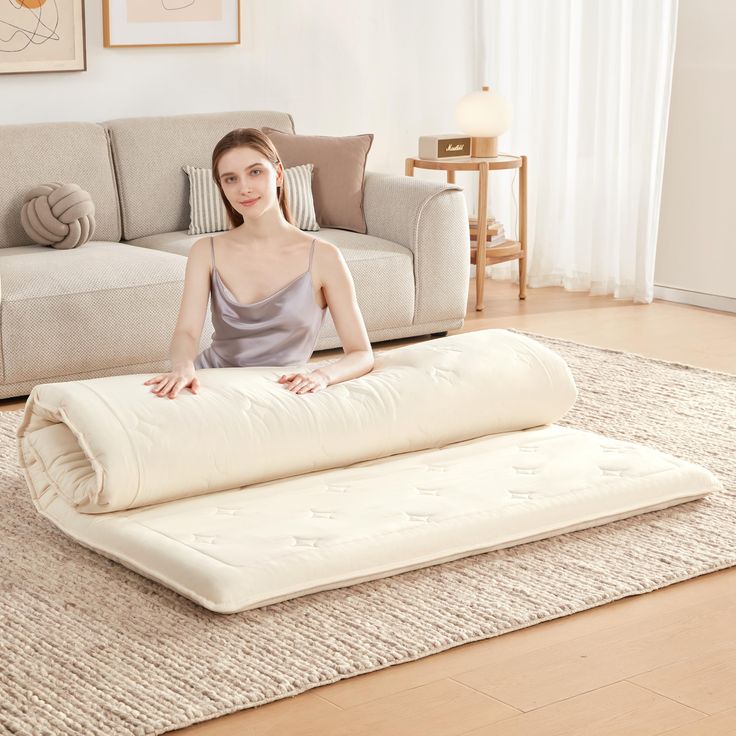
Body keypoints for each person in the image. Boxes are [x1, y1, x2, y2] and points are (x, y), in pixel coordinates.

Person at [143, 128, 374, 400]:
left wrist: (321, 376)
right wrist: (183, 368)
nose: (244, 188)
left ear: (277, 174)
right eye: (230, 179)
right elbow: (186, 331)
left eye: (255, 172)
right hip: (211, 384)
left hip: (279, 391)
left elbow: (361, 353)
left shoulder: (324, 257)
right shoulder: (206, 251)